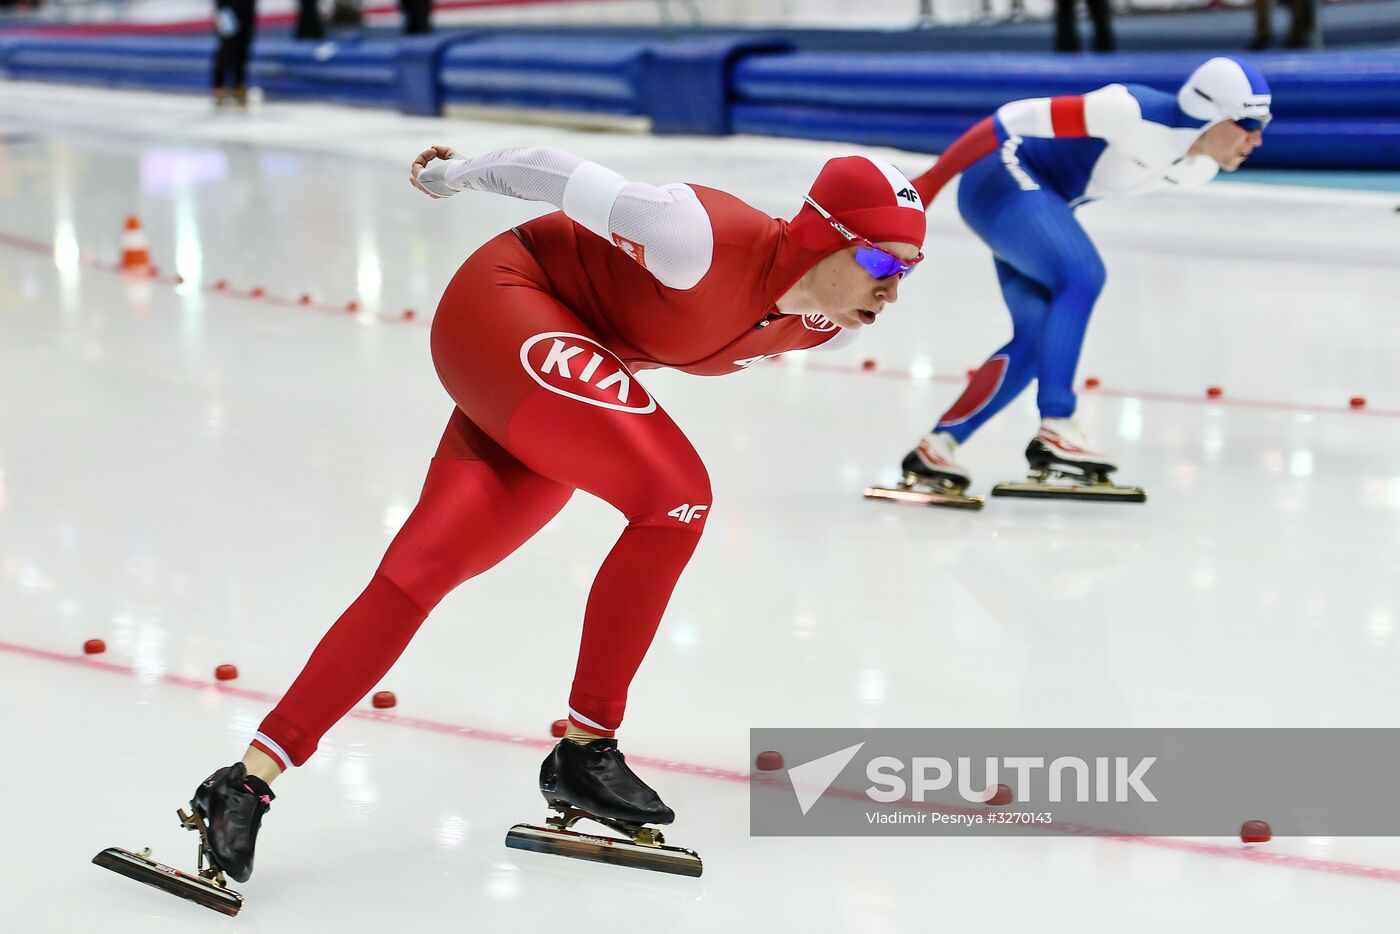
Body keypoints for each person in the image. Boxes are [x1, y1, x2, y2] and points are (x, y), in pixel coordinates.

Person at [183, 146, 926, 882]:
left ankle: (245, 780)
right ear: (828, 235)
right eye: (885, 264)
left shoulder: (833, 321)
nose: (894, 290)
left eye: (911, 271)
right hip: (504, 302)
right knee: (677, 495)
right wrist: (452, 174)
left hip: (568, 359)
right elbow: (553, 172)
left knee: (420, 570)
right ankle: (587, 750)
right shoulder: (698, 237)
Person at [896, 57, 1269, 496]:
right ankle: (1057, 424)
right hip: (1001, 173)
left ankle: (938, 445)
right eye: (1247, 123)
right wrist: (932, 181)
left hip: (1034, 201)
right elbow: (1011, 117)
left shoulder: (1197, 169)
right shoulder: (1130, 111)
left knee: (1040, 338)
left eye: (1263, 125)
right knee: (1082, 275)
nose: (1257, 139)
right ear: (1212, 111)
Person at [212, 0, 256, 106]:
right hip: (226, 8)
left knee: (243, 46)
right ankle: (219, 86)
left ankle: (239, 86)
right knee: (227, 45)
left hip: (245, 8)